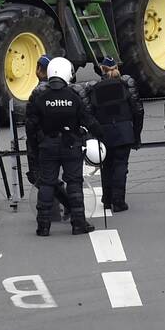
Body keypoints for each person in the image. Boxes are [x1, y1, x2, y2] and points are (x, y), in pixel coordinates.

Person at [26, 57, 103, 237]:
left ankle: (43, 226)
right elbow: (88, 119)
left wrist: (36, 148)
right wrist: (99, 133)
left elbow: (30, 126)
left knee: (47, 183)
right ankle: (78, 224)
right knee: (74, 183)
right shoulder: (73, 97)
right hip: (70, 145)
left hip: (48, 145)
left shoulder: (41, 98)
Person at [80, 57, 143, 212]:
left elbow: (89, 113)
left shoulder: (95, 89)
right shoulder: (125, 86)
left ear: (101, 69)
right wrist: (136, 134)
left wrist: (94, 135)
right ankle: (118, 201)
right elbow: (138, 111)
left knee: (107, 166)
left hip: (104, 132)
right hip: (124, 132)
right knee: (121, 166)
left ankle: (107, 199)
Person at [33, 54, 71, 220]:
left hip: (44, 142)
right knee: (59, 177)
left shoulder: (37, 93)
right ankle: (69, 207)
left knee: (45, 179)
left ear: (40, 70)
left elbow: (31, 123)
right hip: (65, 140)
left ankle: (56, 211)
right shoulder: (64, 90)